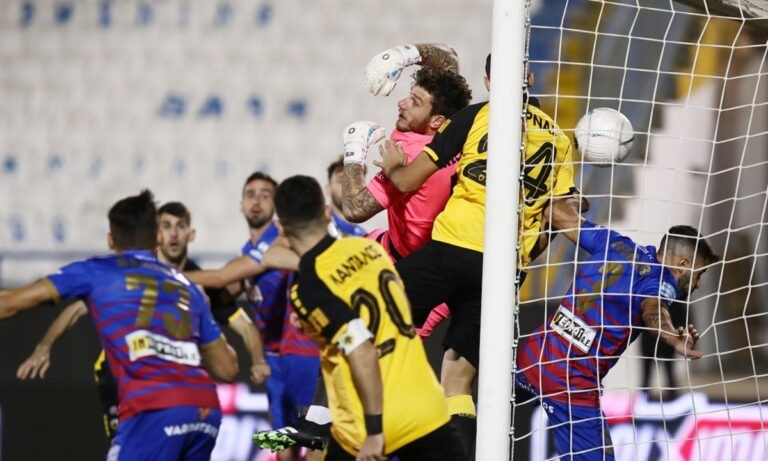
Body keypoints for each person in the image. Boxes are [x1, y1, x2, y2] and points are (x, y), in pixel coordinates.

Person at [253, 45, 473, 454]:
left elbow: (354, 207)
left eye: (415, 101)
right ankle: (315, 425)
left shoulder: (410, 158)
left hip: (412, 274)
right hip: (392, 255)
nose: (402, 103)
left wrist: (354, 152)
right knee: (352, 347)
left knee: (362, 355)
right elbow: (450, 66)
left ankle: (328, 428)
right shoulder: (454, 133)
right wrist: (406, 55)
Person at [374, 52, 582, 456]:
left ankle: (331, 421)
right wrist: (524, 256)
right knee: (457, 378)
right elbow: (556, 219)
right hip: (505, 270)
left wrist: (394, 166)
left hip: (455, 246)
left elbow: (408, 182)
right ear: (530, 78)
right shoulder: (560, 138)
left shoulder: (476, 115)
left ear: (489, 82)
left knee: (370, 311)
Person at [0, 190, 239, 460]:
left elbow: (10, 303)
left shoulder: (97, 272)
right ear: (158, 238)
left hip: (154, 409)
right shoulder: (188, 287)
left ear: (111, 240)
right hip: (205, 411)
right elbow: (228, 369)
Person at [273, 175, 463, 461]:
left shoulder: (309, 288)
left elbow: (361, 348)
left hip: (367, 423)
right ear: (327, 213)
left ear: (282, 229)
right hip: (425, 408)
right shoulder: (371, 249)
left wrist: (375, 430)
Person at [515, 198, 719, 460]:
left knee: (485, 418)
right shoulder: (663, 280)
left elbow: (556, 212)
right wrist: (671, 336)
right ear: (682, 264)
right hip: (571, 380)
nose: (698, 284)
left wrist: (574, 201)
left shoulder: (615, 242)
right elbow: (654, 309)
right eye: (699, 274)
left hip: (535, 356)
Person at [186, 172, 320, 461]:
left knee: (315, 439)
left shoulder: (281, 240)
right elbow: (226, 292)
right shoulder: (247, 251)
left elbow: (222, 278)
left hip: (303, 353)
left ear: (277, 206)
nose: (256, 201)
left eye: (265, 195)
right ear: (241, 205)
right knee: (282, 442)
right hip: (274, 360)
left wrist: (168, 274)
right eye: (250, 195)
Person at [326, 157, 368, 238]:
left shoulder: (365, 237)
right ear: (328, 188)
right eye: (342, 180)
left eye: (357, 181)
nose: (350, 187)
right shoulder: (313, 223)